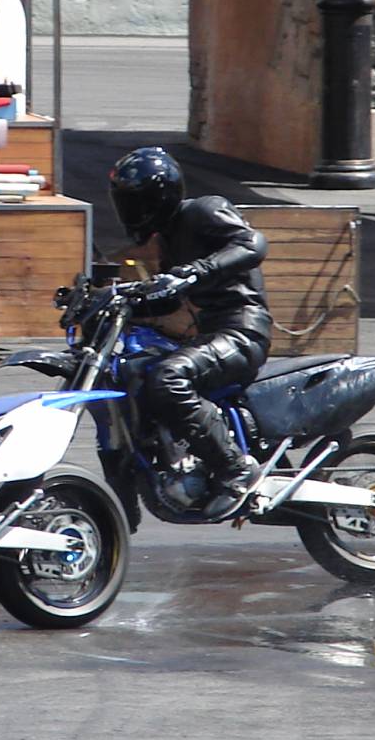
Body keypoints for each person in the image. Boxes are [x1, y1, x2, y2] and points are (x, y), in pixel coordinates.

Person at [108, 145, 272, 518]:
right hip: (211, 333)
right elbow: (168, 302)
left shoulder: (204, 210)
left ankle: (235, 467)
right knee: (136, 369)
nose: (128, 212)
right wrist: (125, 300)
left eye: (135, 202)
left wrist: (200, 268)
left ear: (159, 196)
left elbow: (253, 243)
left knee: (168, 378)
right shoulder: (167, 240)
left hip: (242, 330)